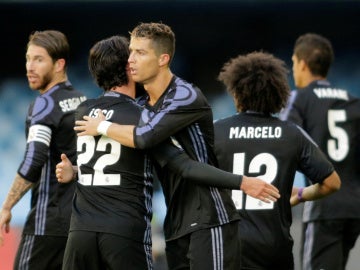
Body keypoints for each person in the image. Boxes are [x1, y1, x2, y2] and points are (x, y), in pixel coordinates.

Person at [57, 34, 279, 270]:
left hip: (82, 230)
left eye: (139, 53)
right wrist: (242, 182)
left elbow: (112, 161)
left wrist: (77, 169)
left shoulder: (84, 111)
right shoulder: (141, 117)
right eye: (132, 54)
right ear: (127, 68)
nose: (134, 59)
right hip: (129, 231)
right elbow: (181, 164)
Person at [214, 51, 341, 270]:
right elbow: (332, 183)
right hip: (274, 248)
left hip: (226, 246)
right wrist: (300, 194)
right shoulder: (292, 134)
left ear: (237, 93)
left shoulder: (216, 131)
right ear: (277, 93)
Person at [0, 30, 86, 269]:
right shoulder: (83, 101)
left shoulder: (44, 105)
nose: (30, 66)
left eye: (39, 59)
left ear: (59, 64)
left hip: (46, 223)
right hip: (80, 224)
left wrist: (6, 207)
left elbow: (34, 160)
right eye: (28, 59)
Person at [279, 33, 360, 270]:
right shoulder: (353, 101)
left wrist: (295, 191)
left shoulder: (299, 98)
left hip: (324, 206)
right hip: (354, 207)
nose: (294, 71)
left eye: (293, 64)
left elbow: (285, 138)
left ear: (302, 64)